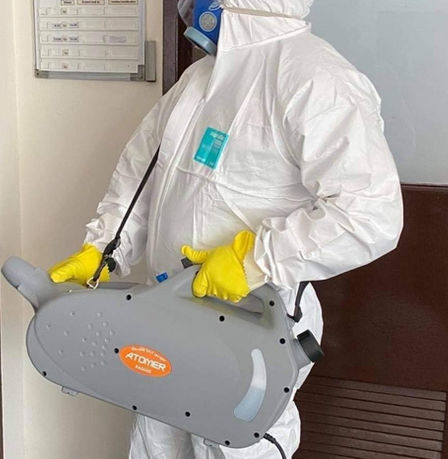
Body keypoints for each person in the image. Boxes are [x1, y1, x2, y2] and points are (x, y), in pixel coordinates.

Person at [49, 0, 404, 457]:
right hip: (165, 313)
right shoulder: (199, 79)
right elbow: (141, 175)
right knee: (158, 441)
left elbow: (370, 213)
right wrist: (104, 249)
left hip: (251, 323)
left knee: (234, 446)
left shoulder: (316, 78)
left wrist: (252, 260)